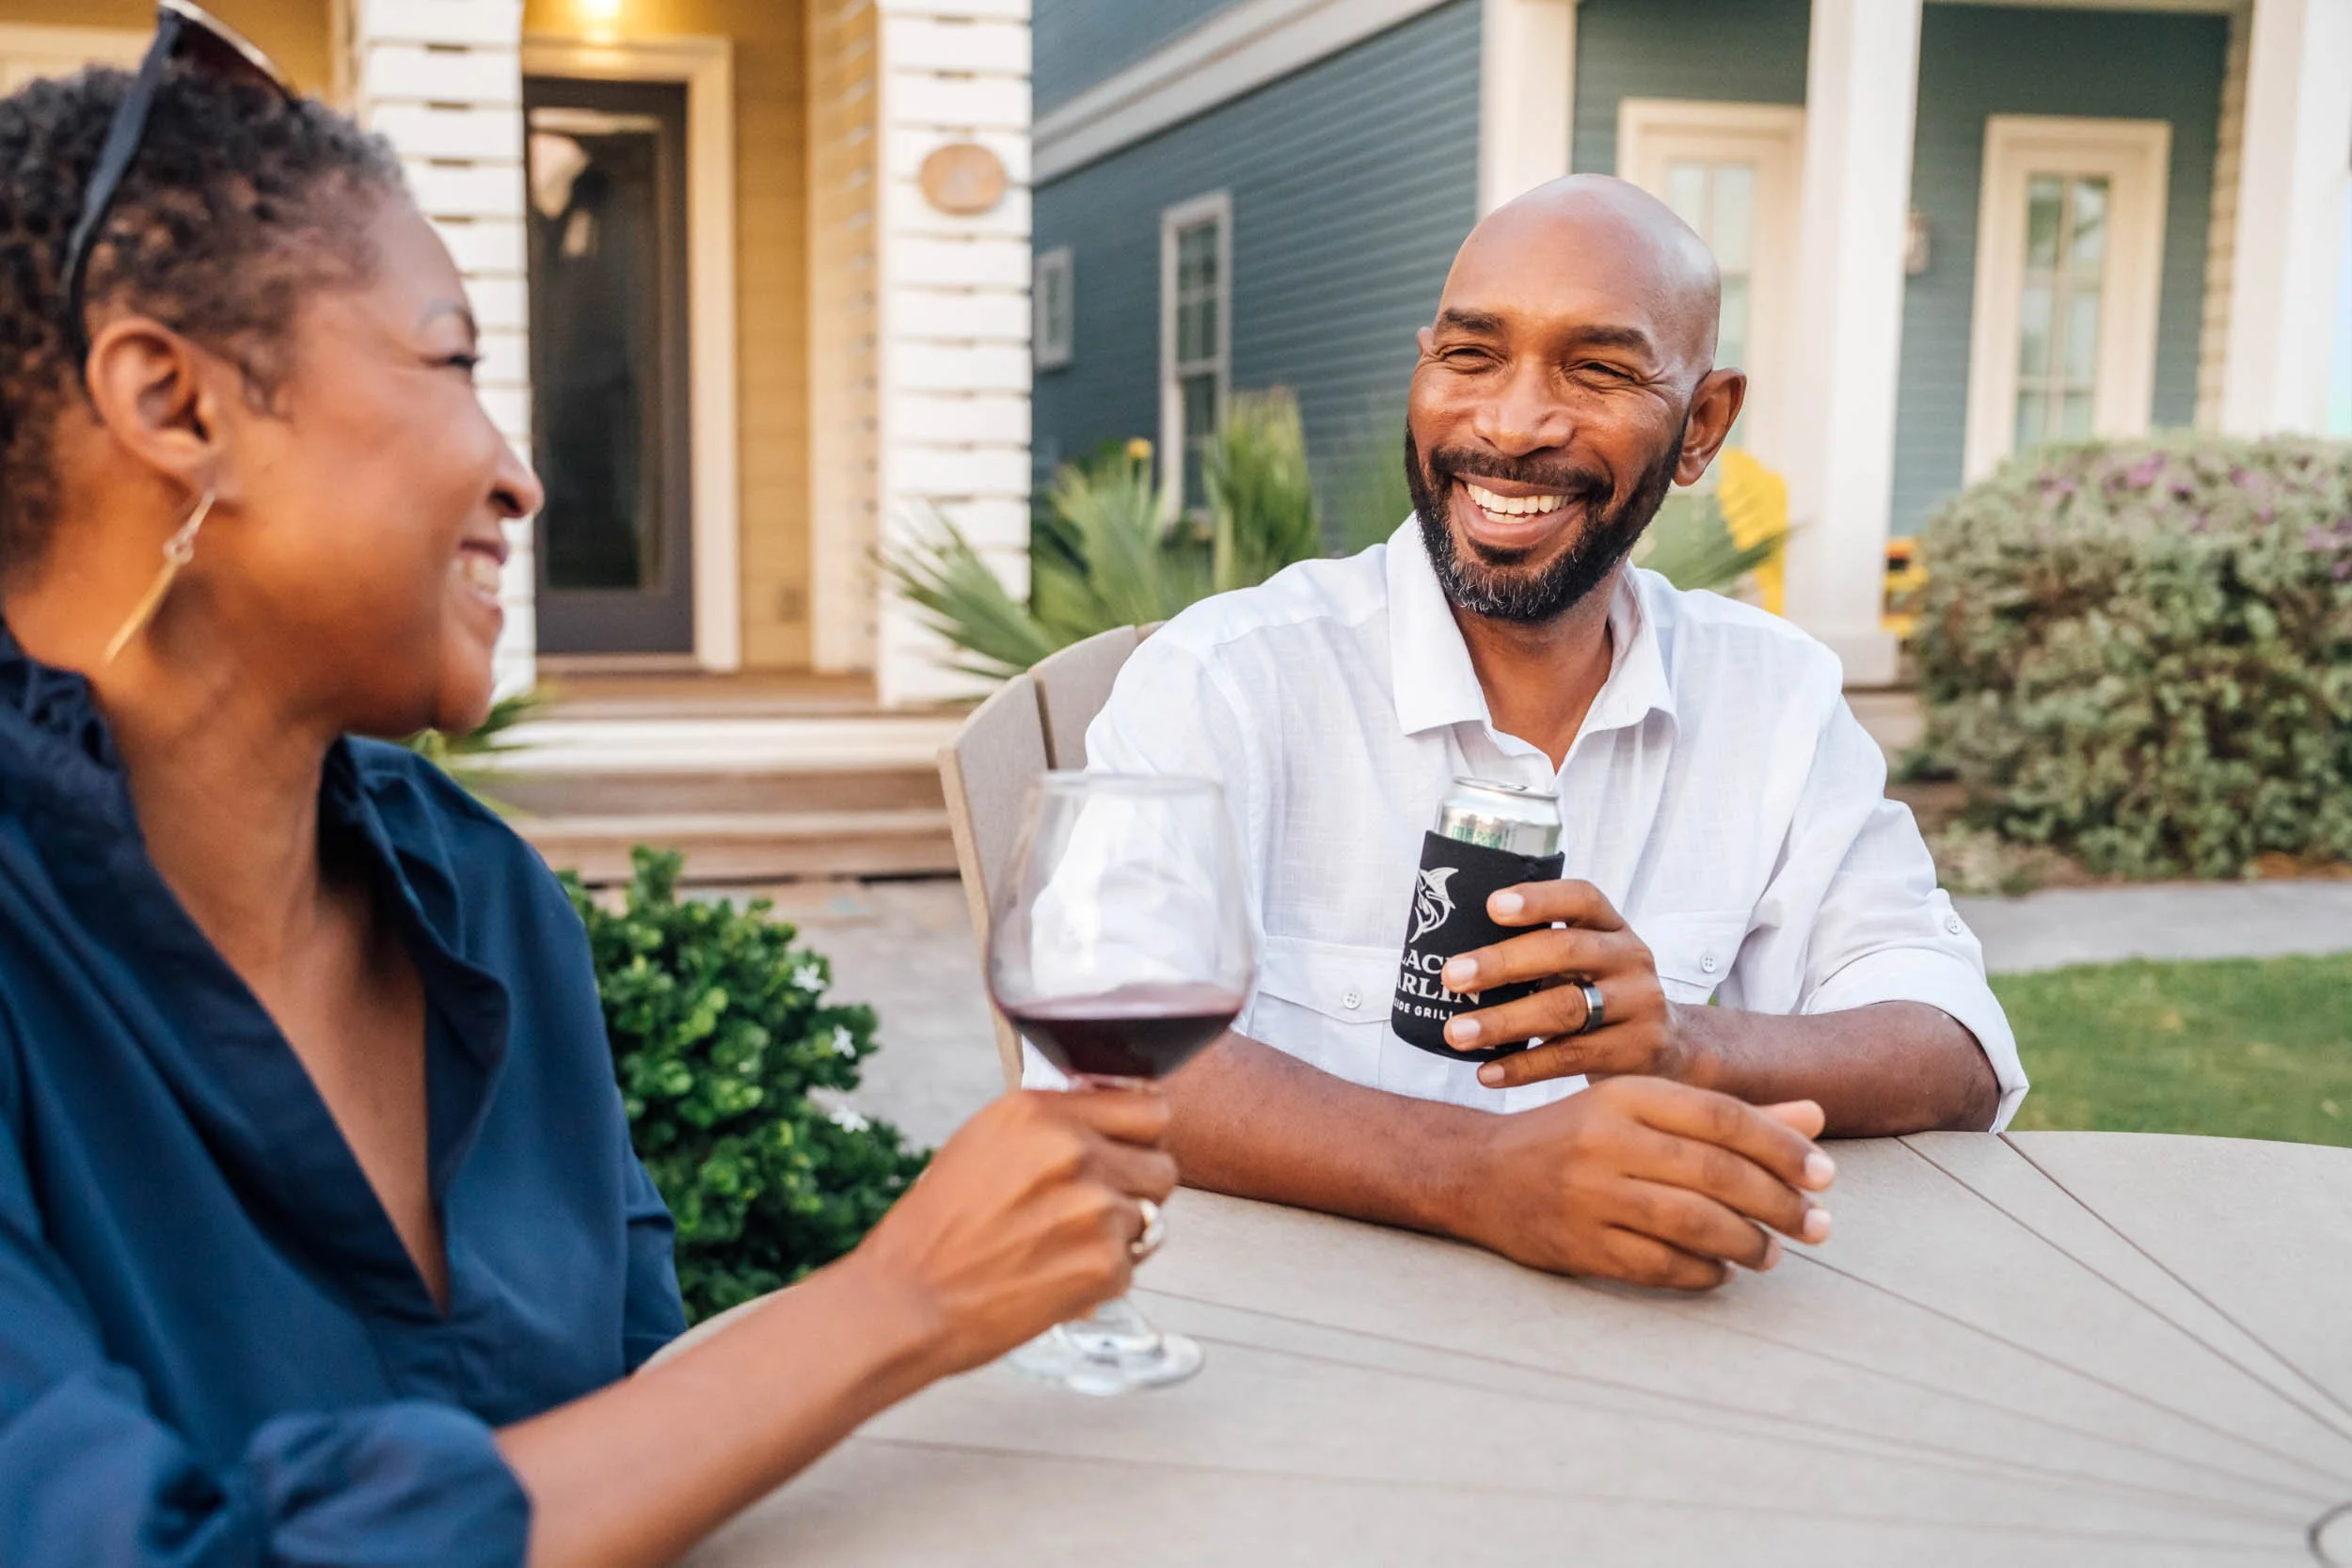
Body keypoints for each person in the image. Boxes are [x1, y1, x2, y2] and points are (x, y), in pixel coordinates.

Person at [0, 28, 1175, 1568]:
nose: (520, 476)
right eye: (451, 363)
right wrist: (900, 1302)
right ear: (175, 400)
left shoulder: (484, 899)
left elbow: (640, 1414)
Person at [1061, 175, 2026, 1292]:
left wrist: (1688, 1045)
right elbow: (1104, 1051)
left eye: (1598, 368)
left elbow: (1952, 1048)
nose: (1513, 423)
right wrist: (1480, 1175)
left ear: (1702, 424)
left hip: (1660, 1361)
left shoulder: (1774, 698)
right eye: (1471, 356)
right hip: (1290, 1348)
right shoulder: (1226, 680)